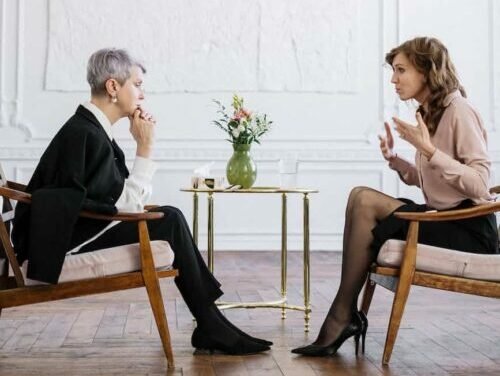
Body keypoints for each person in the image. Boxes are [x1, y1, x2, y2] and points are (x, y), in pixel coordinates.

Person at [12, 48, 272, 355]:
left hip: (68, 231)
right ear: (113, 87)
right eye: (137, 84)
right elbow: (126, 207)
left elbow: (114, 200)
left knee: (168, 216)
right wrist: (145, 148)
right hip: (59, 245)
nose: (142, 95)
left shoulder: (89, 129)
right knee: (170, 219)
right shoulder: (87, 134)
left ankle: (211, 323)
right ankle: (211, 323)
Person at [292, 36, 498, 357]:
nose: (393, 78)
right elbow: (437, 182)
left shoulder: (460, 110)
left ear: (427, 71)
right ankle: (342, 315)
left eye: (401, 70)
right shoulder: (431, 112)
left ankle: (341, 316)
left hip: (469, 230)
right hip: (442, 218)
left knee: (363, 199)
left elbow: (480, 184)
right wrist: (397, 161)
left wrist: (427, 149)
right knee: (360, 197)